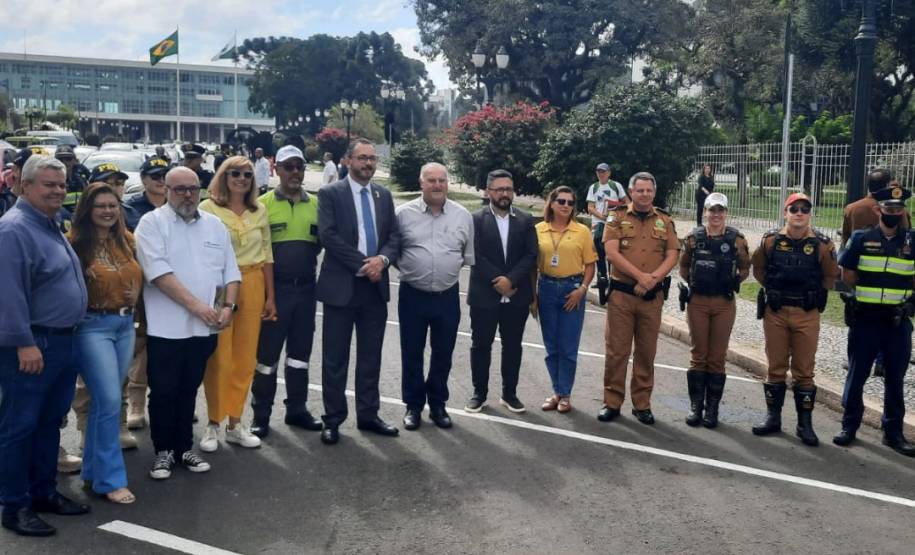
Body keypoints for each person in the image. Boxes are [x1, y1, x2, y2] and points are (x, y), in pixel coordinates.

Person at [0, 155, 90, 537]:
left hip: (61, 342)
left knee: (49, 423)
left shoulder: (49, 223)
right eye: (49, 184)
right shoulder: (14, 230)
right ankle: (14, 505)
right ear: (24, 185)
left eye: (62, 183)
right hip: (33, 344)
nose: (58, 190)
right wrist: (23, 343)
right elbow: (8, 294)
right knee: (19, 426)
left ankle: (43, 492)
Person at [135, 166, 241, 479]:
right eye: (179, 189)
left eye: (193, 189)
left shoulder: (214, 225)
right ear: (166, 190)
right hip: (166, 329)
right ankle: (163, 451)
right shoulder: (151, 224)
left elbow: (230, 273)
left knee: (188, 389)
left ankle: (183, 448)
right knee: (165, 390)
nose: (187, 195)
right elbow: (159, 275)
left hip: (205, 328)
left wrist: (228, 308)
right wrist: (198, 307)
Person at [316, 139, 400, 445]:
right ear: (347, 160)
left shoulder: (383, 195)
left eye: (372, 158)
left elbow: (393, 235)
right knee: (334, 359)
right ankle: (333, 419)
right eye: (362, 158)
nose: (368, 163)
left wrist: (383, 260)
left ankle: (368, 415)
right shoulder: (330, 193)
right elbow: (329, 236)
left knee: (370, 357)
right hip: (342, 287)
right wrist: (366, 264)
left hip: (374, 290)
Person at [68, 182, 141, 504]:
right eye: (101, 206)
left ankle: (92, 474)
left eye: (113, 205)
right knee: (110, 400)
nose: (109, 211)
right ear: (87, 209)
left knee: (104, 403)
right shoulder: (74, 245)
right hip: (92, 326)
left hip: (125, 325)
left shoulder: (127, 240)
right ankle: (111, 479)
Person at [197, 156, 274, 452]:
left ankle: (235, 422)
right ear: (223, 176)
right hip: (219, 286)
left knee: (244, 357)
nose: (241, 178)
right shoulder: (208, 209)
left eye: (247, 174)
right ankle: (213, 423)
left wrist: (271, 297)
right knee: (218, 358)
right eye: (235, 173)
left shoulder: (260, 210)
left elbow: (267, 254)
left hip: (253, 281)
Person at [750, 193, 839, 446]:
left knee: (804, 371)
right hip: (776, 312)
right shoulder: (770, 241)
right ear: (785, 213)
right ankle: (773, 418)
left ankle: (805, 424)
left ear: (810, 214)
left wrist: (811, 294)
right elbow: (759, 269)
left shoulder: (823, 245)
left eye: (804, 209)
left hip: (806, 314)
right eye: (794, 209)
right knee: (775, 367)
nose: (799, 213)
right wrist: (774, 289)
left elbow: (830, 276)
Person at [834, 185, 915, 456]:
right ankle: (849, 426)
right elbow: (845, 274)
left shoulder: (912, 242)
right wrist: (852, 301)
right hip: (866, 320)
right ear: (877, 209)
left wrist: (911, 304)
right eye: (888, 208)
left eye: (898, 208)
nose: (893, 212)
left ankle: (893, 433)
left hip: (896, 322)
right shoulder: (860, 238)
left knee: (895, 378)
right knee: (857, 375)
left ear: (904, 210)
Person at [250, 146, 323, 438]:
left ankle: (297, 409)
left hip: (306, 291)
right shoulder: (262, 204)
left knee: (300, 356)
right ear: (276, 169)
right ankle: (261, 415)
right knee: (266, 359)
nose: (295, 172)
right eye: (288, 167)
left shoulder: (317, 204)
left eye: (299, 167)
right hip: (275, 292)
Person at [395, 162, 474, 430]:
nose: (438, 185)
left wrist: (442, 270)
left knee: (443, 353)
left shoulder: (463, 216)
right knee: (412, 352)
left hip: (447, 296)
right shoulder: (402, 215)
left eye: (442, 180)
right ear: (421, 183)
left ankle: (438, 404)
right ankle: (413, 406)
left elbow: (466, 256)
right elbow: (393, 251)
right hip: (412, 296)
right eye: (431, 180)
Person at [599, 172, 680, 425]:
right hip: (622, 295)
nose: (644, 195)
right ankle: (612, 402)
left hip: (651, 297)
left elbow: (672, 253)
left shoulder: (664, 220)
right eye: (640, 190)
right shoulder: (617, 216)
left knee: (646, 353)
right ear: (631, 192)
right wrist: (640, 277)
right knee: (617, 352)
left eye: (649, 191)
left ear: (654, 193)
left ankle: (642, 404)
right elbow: (611, 252)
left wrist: (652, 279)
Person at [465, 169, 538, 414]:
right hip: (484, 294)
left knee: (513, 346)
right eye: (499, 189)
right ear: (488, 192)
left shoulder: (526, 219)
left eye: (508, 189)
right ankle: (479, 393)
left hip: (516, 294)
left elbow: (531, 254)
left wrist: (511, 280)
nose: (504, 193)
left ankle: (510, 393)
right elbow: (474, 254)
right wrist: (498, 279)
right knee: (481, 345)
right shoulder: (475, 219)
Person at [678, 192, 750, 428]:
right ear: (705, 212)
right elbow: (683, 267)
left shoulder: (737, 239)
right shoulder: (692, 238)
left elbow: (745, 268)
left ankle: (712, 409)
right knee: (699, 354)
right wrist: (698, 280)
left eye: (720, 210)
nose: (716, 215)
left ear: (726, 213)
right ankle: (696, 406)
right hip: (698, 301)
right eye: (712, 210)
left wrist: (732, 280)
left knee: (717, 356)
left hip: (723, 303)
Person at [839, 168, 910, 378]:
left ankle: (858, 359)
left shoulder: (852, 208)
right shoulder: (898, 211)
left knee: (860, 320)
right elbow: (905, 235)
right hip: (891, 271)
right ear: (888, 185)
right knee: (889, 319)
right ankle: (881, 360)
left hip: (859, 271)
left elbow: (845, 238)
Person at [535, 186, 597, 414]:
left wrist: (583, 289)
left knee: (568, 346)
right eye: (561, 201)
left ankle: (566, 394)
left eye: (570, 203)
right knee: (551, 346)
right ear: (551, 203)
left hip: (572, 289)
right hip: (547, 289)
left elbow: (591, 264)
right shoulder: (539, 230)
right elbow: (533, 264)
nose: (565, 206)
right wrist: (533, 294)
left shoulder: (582, 231)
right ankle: (556, 392)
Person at [122, 157, 170, 431]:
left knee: (168, 348)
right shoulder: (129, 209)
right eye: (154, 176)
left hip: (170, 288)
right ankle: (136, 404)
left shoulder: (178, 206)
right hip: (139, 287)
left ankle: (167, 400)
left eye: (164, 175)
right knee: (140, 346)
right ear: (143, 179)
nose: (160, 180)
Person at [586, 163, 628, 305]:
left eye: (603, 171)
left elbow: (626, 202)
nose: (601, 174)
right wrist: (601, 216)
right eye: (598, 171)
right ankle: (602, 278)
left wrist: (614, 210)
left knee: (611, 251)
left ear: (609, 173)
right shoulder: (594, 187)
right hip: (598, 223)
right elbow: (590, 207)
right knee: (598, 251)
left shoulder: (616, 186)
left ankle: (613, 278)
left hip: (612, 223)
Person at [87, 163, 141, 231]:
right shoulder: (82, 214)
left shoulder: (130, 213)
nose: (114, 188)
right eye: (108, 184)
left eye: (119, 183)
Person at [55, 145, 88, 213]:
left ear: (74, 160)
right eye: (60, 159)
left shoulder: (82, 178)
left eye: (68, 159)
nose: (64, 162)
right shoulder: (51, 181)